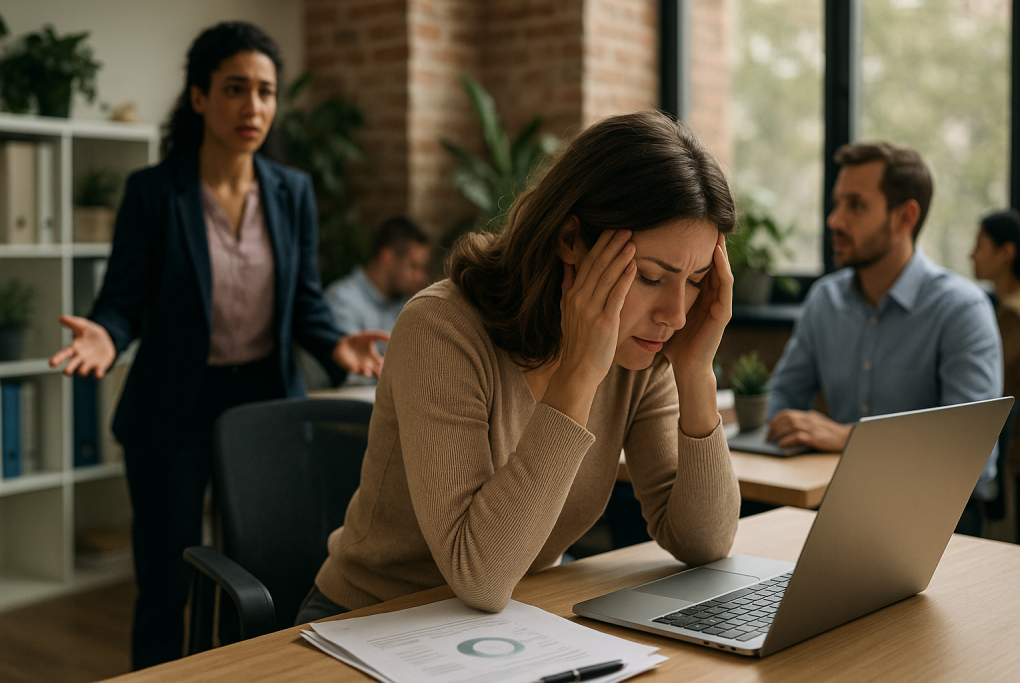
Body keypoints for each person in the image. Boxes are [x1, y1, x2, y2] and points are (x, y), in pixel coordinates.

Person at [293, 110, 743, 624]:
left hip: (512, 621)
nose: (676, 314)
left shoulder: (640, 350)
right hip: (373, 620)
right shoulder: (442, 329)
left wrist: (695, 372)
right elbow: (479, 575)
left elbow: (705, 543)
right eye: (648, 276)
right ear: (571, 239)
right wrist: (577, 376)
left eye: (696, 279)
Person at [47, 22, 387, 669]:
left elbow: (305, 302)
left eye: (265, 91)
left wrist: (337, 344)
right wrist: (106, 333)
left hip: (263, 404)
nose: (253, 107)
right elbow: (122, 299)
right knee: (167, 584)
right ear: (200, 97)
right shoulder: (152, 192)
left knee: (266, 572)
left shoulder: (292, 193)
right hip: (173, 405)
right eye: (235, 89)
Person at [766, 141, 1002, 535]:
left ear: (905, 217)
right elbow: (784, 398)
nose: (834, 221)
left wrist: (850, 438)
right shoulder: (824, 299)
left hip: (939, 523)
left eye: (856, 205)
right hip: (840, 510)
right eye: (836, 203)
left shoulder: (962, 309)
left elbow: (971, 456)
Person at [971, 208, 1020, 543]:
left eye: (980, 245)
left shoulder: (1012, 317)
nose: (971, 254)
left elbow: (990, 387)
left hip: (1014, 459)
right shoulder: (1001, 307)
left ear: (1007, 252)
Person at [324, 215, 431, 337]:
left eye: (424, 268)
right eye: (414, 266)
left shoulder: (407, 304)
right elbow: (350, 355)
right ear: (387, 259)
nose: (421, 277)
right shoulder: (342, 301)